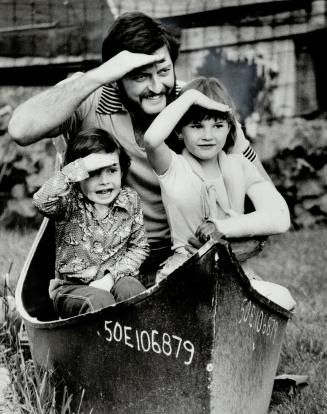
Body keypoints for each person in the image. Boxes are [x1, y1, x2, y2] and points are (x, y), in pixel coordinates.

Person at [9, 12, 269, 286]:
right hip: (100, 262)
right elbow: (21, 129)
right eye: (140, 76)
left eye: (164, 71)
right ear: (117, 76)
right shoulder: (90, 99)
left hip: (184, 256)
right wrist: (98, 76)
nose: (157, 87)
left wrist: (225, 239)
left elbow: (262, 191)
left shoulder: (197, 107)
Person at [144, 77, 295, 310]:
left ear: (229, 127)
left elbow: (280, 216)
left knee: (282, 298)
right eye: (196, 126)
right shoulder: (173, 166)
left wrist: (222, 227)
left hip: (232, 269)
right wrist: (191, 97)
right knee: (193, 306)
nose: (208, 136)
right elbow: (152, 139)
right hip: (185, 269)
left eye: (217, 125)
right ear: (179, 132)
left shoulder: (239, 165)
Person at [33, 128, 149, 318]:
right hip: (73, 289)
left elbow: (139, 247)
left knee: (132, 290)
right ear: (78, 177)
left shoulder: (130, 200)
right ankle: (103, 348)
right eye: (94, 173)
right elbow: (41, 201)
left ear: (122, 170)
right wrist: (76, 169)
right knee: (99, 302)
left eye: (112, 171)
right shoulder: (69, 201)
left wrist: (110, 278)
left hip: (115, 279)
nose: (104, 181)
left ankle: (139, 345)